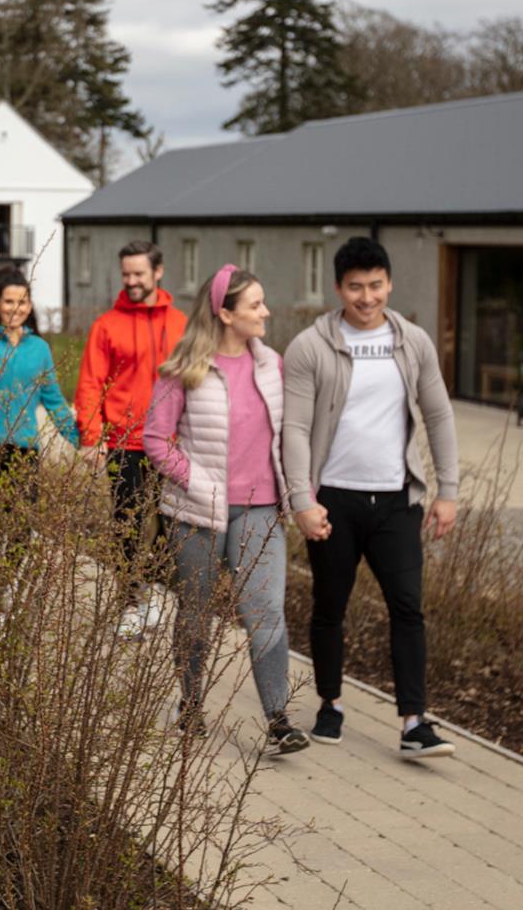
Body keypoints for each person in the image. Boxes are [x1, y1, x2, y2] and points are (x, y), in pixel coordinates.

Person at [281, 236, 460, 760]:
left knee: (408, 607)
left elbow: (439, 414)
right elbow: (293, 427)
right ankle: (330, 703)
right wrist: (301, 500)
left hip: (396, 501)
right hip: (333, 499)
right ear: (338, 288)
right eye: (355, 287)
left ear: (390, 284)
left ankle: (413, 723)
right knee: (329, 606)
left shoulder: (413, 342)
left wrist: (448, 491)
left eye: (375, 285)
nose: (366, 297)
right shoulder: (309, 347)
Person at [144, 264, 309, 754]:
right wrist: (202, 484)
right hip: (197, 513)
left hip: (260, 509)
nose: (266, 312)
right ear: (224, 313)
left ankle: (278, 718)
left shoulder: (272, 366)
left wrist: (299, 492)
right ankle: (190, 705)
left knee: (266, 612)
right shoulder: (184, 368)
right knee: (195, 614)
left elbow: (290, 435)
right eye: (255, 305)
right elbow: (155, 440)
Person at [75, 240, 187, 638]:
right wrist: (91, 437)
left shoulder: (181, 324)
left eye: (139, 274)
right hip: (125, 441)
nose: (132, 281)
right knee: (127, 523)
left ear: (158, 272)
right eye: (126, 274)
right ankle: (129, 604)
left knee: (172, 524)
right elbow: (90, 384)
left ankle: (155, 595)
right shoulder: (106, 326)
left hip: (173, 443)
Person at [0, 267, 80, 507]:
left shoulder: (40, 348)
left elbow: (54, 401)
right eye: (9, 301)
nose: (15, 308)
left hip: (25, 453)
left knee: (21, 536)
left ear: (29, 306)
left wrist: (82, 440)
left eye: (22, 302)